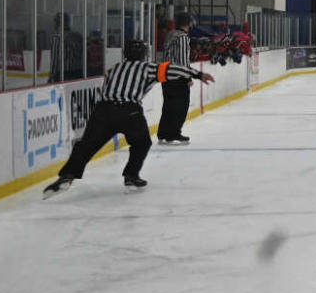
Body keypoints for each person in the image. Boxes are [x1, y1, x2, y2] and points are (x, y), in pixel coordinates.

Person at [42, 39, 214, 198]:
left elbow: (106, 89)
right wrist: (198, 74)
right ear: (143, 54)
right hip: (129, 110)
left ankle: (67, 175)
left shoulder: (114, 68)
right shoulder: (148, 68)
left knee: (86, 145)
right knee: (142, 142)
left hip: (103, 110)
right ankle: (131, 176)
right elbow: (173, 69)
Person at [157, 11, 194, 144]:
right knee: (181, 106)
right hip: (177, 77)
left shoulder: (170, 34)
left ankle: (163, 133)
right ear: (188, 23)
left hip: (165, 75)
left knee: (168, 105)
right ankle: (173, 133)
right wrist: (187, 77)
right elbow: (183, 60)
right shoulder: (183, 37)